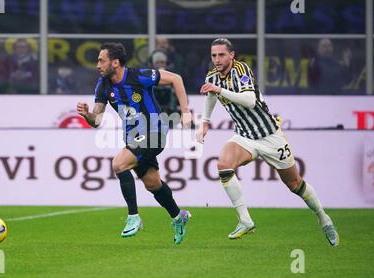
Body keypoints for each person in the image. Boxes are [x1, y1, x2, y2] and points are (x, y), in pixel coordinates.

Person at [196, 38, 339, 246]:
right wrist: (205, 122)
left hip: (270, 136)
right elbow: (210, 96)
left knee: (294, 184)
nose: (217, 59)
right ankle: (245, 221)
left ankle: (324, 219)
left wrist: (220, 91)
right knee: (223, 165)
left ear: (232, 55)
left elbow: (249, 101)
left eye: (221, 55)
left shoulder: (242, 70)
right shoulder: (213, 77)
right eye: (213, 55)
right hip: (245, 136)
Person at [76, 42, 192, 244]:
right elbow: (97, 120)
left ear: (116, 62)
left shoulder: (139, 76)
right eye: (97, 61)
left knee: (119, 164)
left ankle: (133, 217)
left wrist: (185, 112)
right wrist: (87, 115)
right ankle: (178, 217)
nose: (98, 65)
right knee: (153, 183)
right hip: (133, 137)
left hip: (154, 132)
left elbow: (176, 79)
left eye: (101, 60)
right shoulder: (103, 85)